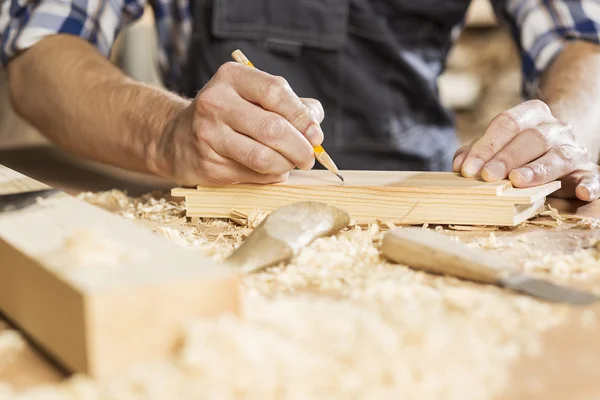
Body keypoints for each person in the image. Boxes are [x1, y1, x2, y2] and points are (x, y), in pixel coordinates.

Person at [1, 1, 599, 201]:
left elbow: (583, 39)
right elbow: (39, 51)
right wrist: (167, 134)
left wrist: (556, 134)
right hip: (216, 204)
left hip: (430, 201)